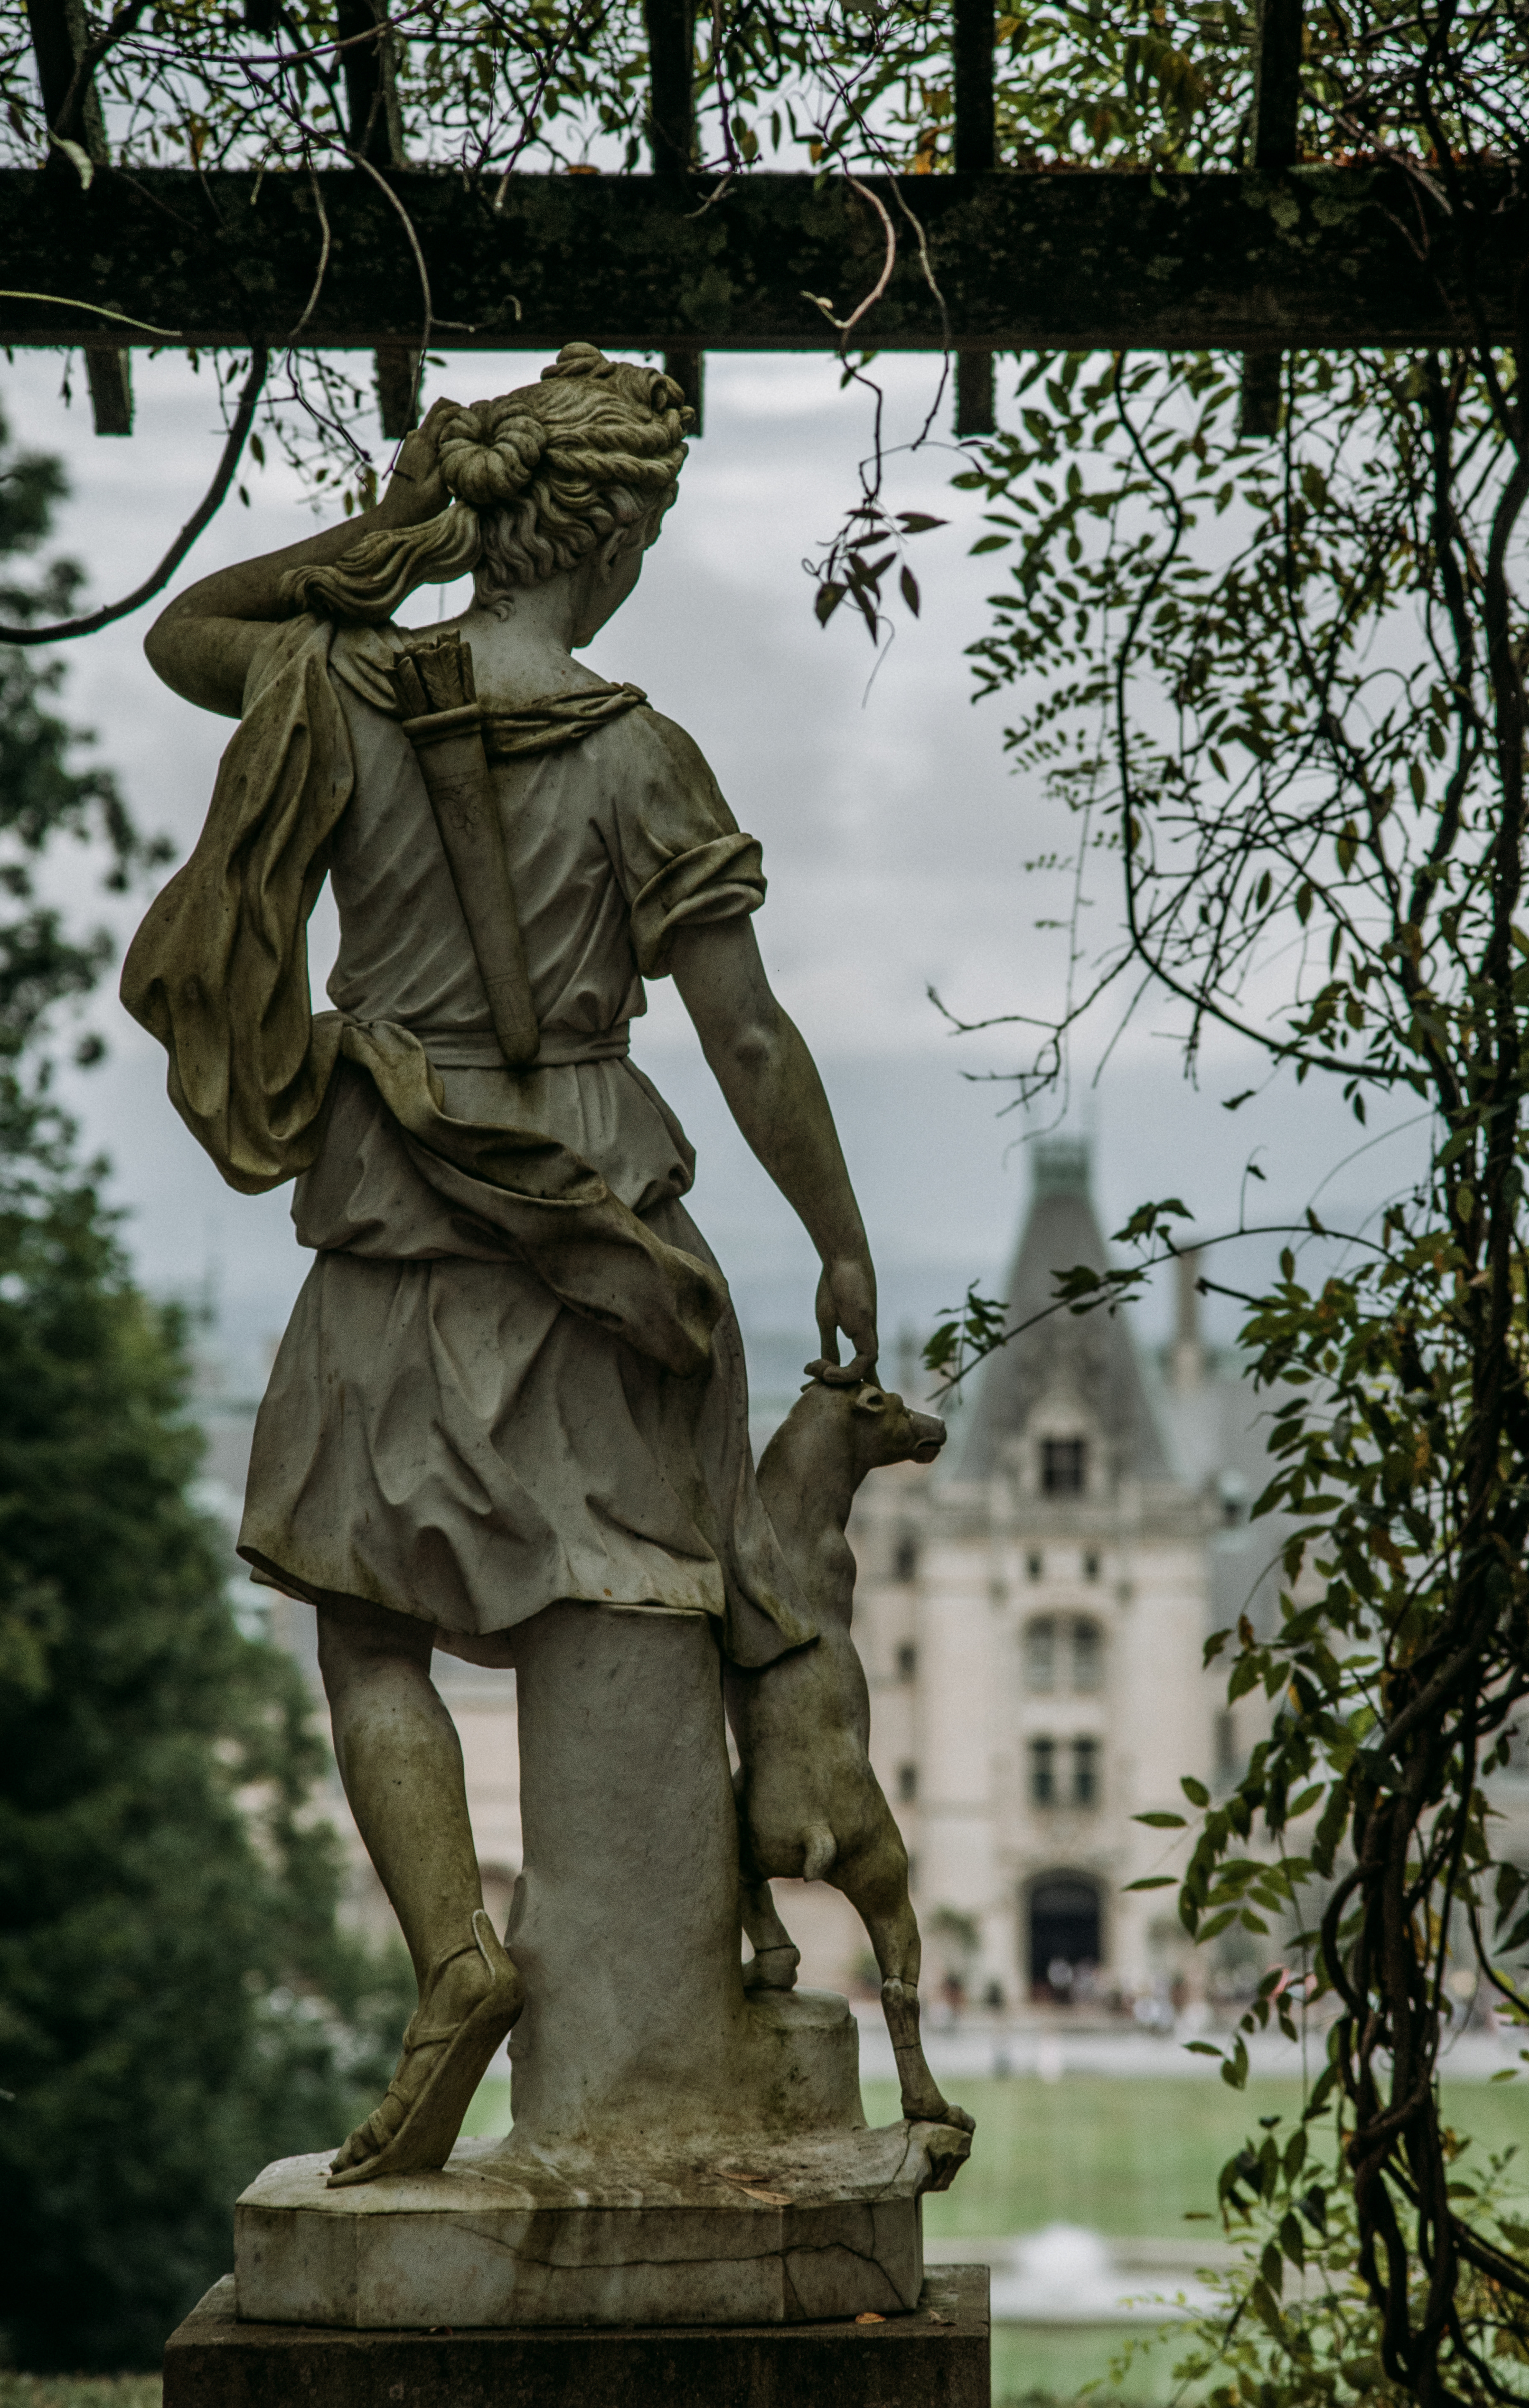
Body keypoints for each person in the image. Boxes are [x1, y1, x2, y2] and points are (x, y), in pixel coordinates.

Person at [125, 344, 880, 2184]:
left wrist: (388, 539)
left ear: (491, 520)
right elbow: (748, 1037)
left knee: (362, 1619)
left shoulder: (339, 685)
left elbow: (184, 634)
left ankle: (456, 1951)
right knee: (620, 1604)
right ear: (608, 540)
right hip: (595, 1222)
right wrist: (838, 1236)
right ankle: (644, 2051)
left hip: (393, 1203)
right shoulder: (638, 753)